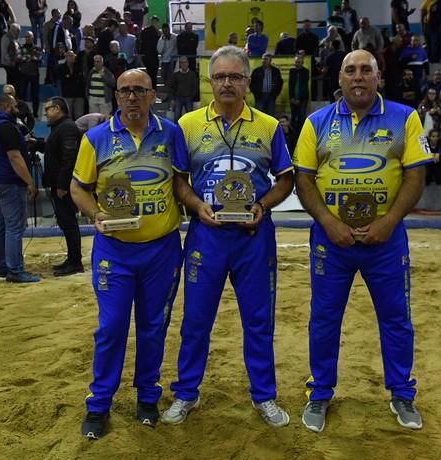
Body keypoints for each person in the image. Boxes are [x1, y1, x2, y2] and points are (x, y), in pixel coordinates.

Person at [292, 49, 432, 433]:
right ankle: (319, 393)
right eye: (350, 70)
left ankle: (402, 394)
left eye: (365, 70)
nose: (358, 77)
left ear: (378, 76)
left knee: (396, 320)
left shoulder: (406, 118)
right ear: (339, 78)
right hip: (330, 241)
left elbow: (415, 177)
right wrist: (326, 221)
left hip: (385, 242)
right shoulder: (315, 122)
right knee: (323, 320)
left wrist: (388, 221)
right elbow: (303, 179)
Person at [161, 45, 294, 428]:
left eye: (235, 77)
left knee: (259, 321)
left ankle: (264, 396)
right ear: (209, 81)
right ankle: (186, 393)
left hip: (254, 237)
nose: (227, 83)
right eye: (220, 77)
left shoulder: (268, 126)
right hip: (207, 234)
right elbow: (179, 181)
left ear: (248, 82)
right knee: (196, 321)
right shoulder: (187, 125)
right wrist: (195, 205)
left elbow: (285, 180)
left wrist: (263, 206)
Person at [71, 69, 183, 439]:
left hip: (162, 251)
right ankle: (99, 404)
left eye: (140, 90)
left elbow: (181, 182)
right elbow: (78, 188)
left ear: (153, 95)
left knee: (154, 327)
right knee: (112, 328)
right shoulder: (96, 138)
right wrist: (95, 214)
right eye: (125, 91)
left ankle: (148, 398)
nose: (132, 97)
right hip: (114, 252)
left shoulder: (171, 133)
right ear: (116, 96)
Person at [0, 94, 40, 283]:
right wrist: (29, 181)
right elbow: (15, 157)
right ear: (5, 106)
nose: (17, 109)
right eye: (14, 105)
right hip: (9, 181)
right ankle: (15, 270)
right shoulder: (5, 126)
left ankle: (2, 266)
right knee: (14, 227)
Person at [33, 97, 83, 276]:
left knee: (69, 223)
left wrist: (63, 185)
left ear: (57, 109)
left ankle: (75, 262)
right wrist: (40, 144)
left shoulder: (67, 127)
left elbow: (70, 158)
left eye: (47, 109)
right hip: (59, 184)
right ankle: (72, 259)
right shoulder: (60, 128)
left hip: (64, 186)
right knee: (65, 222)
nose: (45, 113)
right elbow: (57, 150)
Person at [168, 56, 198, 121]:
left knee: (190, 117)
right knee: (176, 116)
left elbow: (195, 86)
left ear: (188, 63)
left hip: (189, 97)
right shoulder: (176, 75)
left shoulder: (192, 74)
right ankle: (177, 130)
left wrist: (192, 95)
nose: (184, 64)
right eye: (182, 62)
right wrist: (173, 98)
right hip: (178, 97)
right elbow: (172, 87)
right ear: (180, 64)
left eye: (185, 62)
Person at [289, 54, 309, 134]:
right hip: (293, 98)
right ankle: (293, 135)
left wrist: (299, 99)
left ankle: (302, 134)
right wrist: (291, 98)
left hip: (303, 98)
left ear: (302, 63)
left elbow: (304, 86)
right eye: (296, 62)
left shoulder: (306, 71)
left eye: (299, 62)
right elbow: (290, 85)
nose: (297, 63)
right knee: (293, 118)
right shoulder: (292, 71)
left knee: (302, 117)